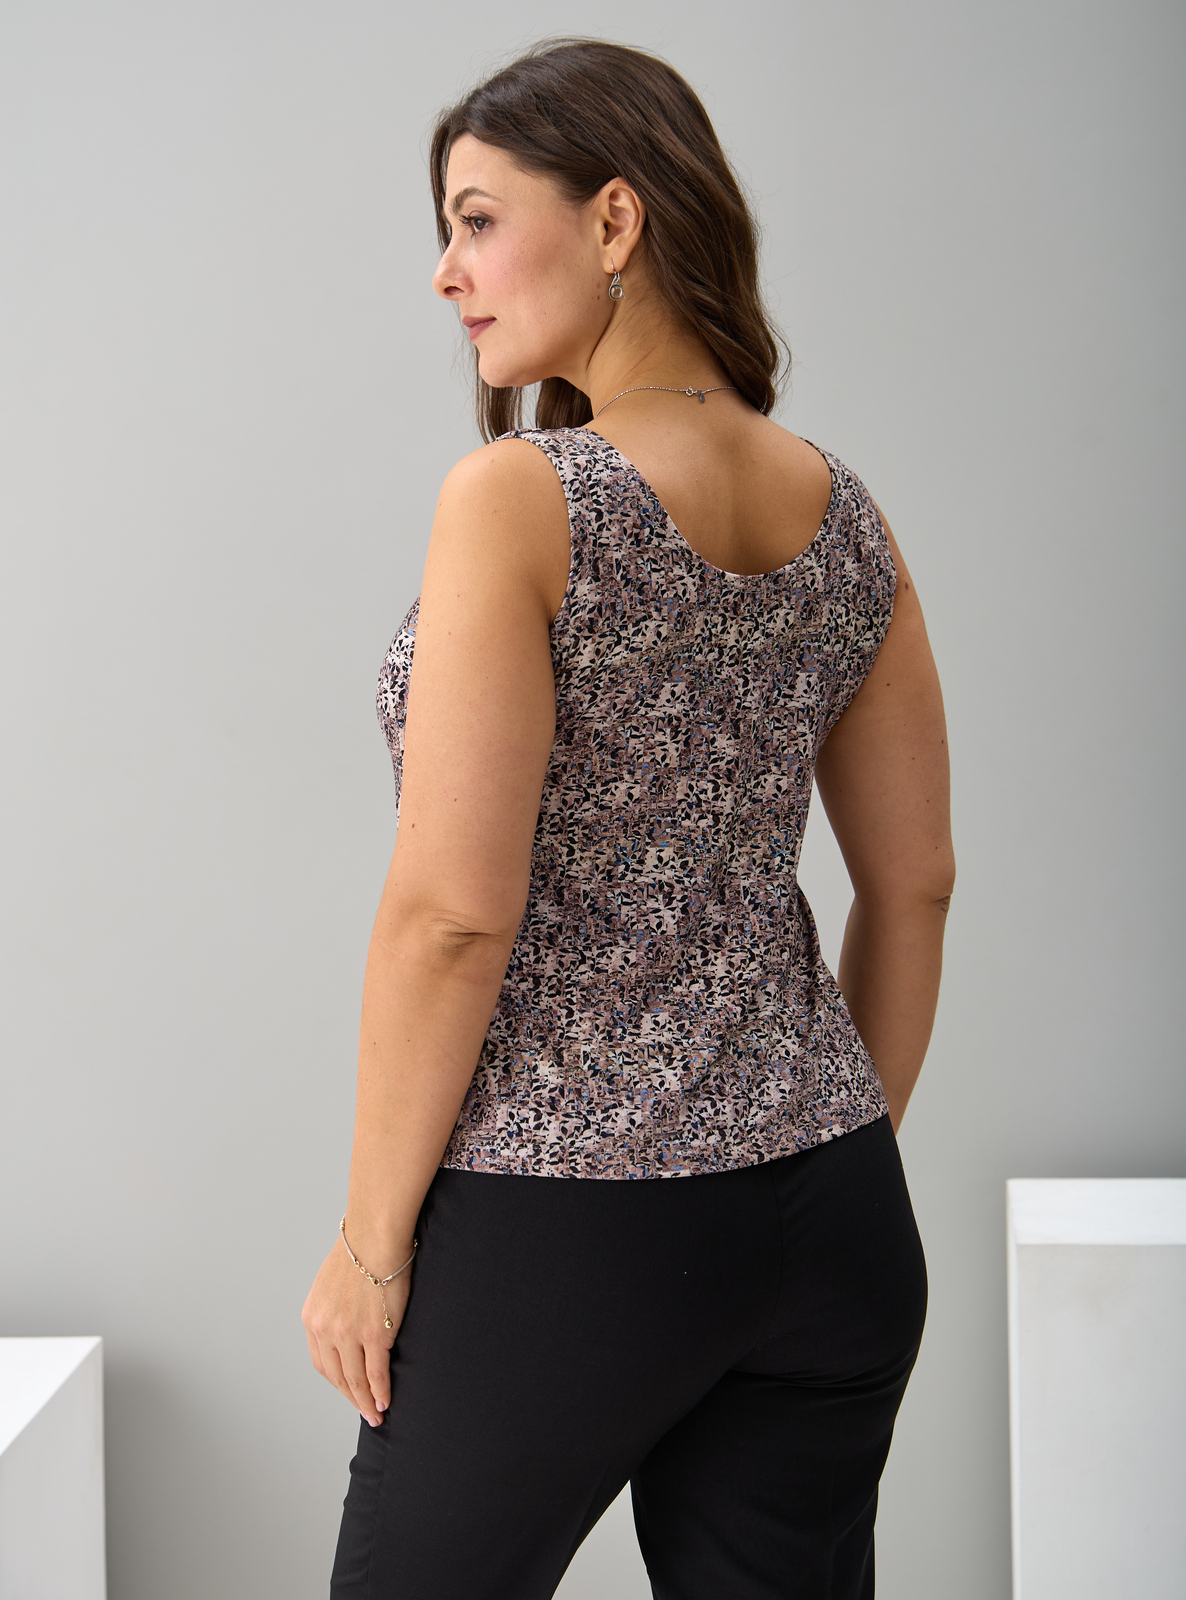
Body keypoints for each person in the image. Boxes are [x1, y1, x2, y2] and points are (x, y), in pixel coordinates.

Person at [302, 36, 954, 1600]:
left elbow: (453, 916)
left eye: (476, 219)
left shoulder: (521, 496)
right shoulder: (844, 513)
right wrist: (816, 1143)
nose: (447, 272)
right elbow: (916, 885)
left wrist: (371, 1247)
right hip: (833, 1217)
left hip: (567, 1222)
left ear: (614, 218)